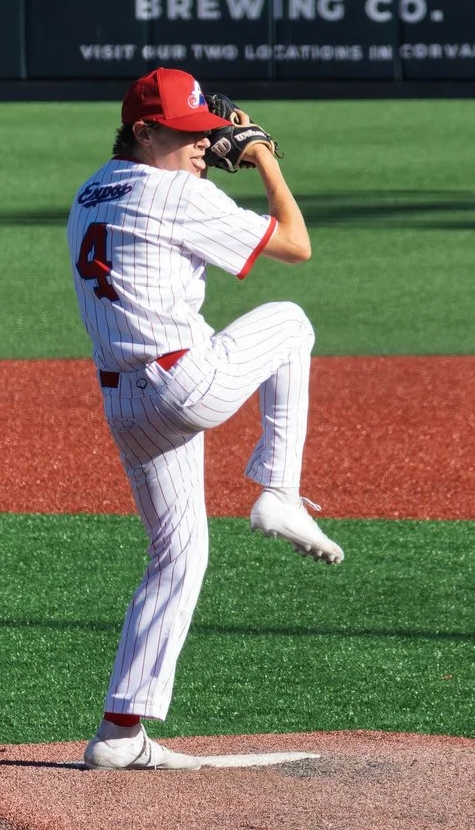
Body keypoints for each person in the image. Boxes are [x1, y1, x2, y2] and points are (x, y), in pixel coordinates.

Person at [66, 64, 341, 770]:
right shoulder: (175, 196)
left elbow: (164, 210)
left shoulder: (93, 189)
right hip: (183, 382)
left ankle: (120, 733)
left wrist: (207, 152)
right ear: (143, 130)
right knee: (290, 321)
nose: (204, 144)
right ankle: (279, 492)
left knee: (179, 556)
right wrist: (262, 157)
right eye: (187, 134)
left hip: (126, 403)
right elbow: (296, 244)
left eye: (206, 134)